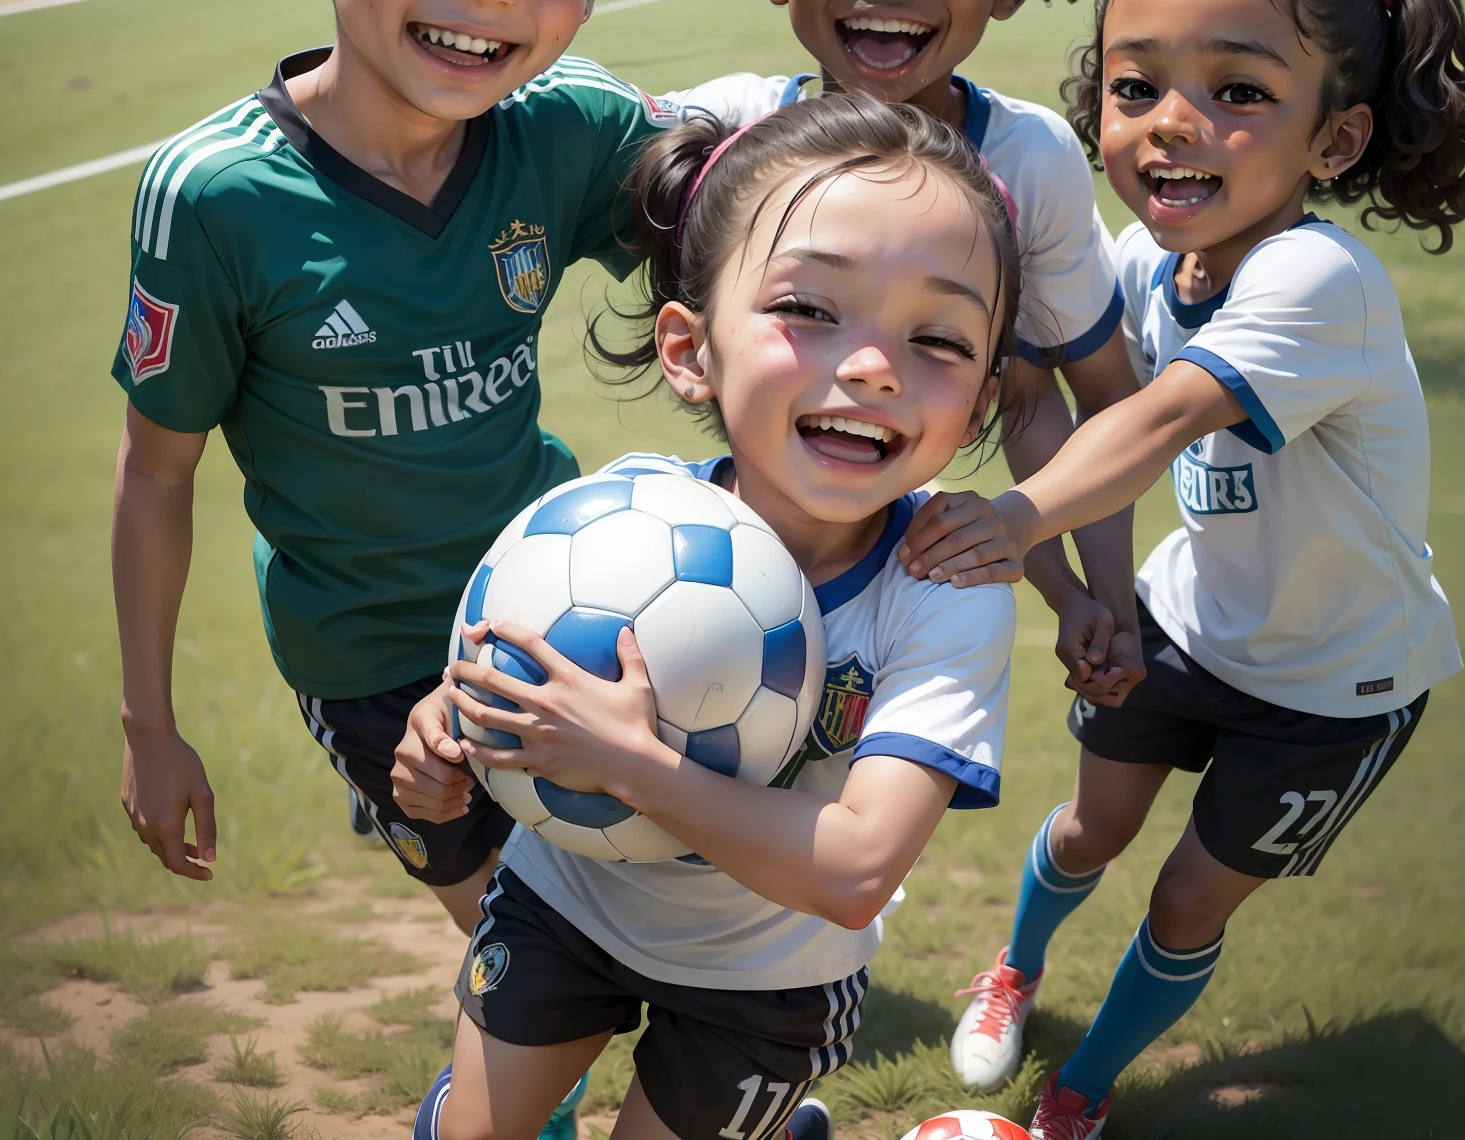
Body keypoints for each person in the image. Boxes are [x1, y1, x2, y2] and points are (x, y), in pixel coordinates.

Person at [110, 0, 676, 1135]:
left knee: (653, 951)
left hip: (560, 617)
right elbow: (157, 473)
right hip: (368, 659)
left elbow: (740, 214)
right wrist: (147, 724)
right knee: (530, 970)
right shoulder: (218, 198)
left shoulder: (564, 135)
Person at [904, 0, 1465, 1139]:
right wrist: (1085, 600)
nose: (1174, 125)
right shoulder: (1146, 263)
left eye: (1240, 93)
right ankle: (1016, 970)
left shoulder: (1316, 277)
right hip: (1188, 622)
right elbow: (1042, 380)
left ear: (1335, 138)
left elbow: (1155, 422)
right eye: (1136, 85)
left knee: (1182, 902)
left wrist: (1011, 520)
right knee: (1091, 824)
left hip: (1335, 687)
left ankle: (1086, 1085)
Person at [396, 93, 1022, 1140]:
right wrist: (448, 738)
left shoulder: (944, 595)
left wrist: (634, 767)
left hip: (771, 978)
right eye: (811, 310)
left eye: (938, 338)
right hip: (571, 905)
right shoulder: (613, 522)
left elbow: (861, 869)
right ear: (690, 350)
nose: (871, 366)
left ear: (982, 405)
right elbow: (501, 680)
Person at [673, 0, 1142, 713]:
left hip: (912, 601)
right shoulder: (717, 132)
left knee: (844, 861)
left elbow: (1082, 398)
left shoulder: (1027, 161)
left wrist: (1090, 595)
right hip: (696, 595)